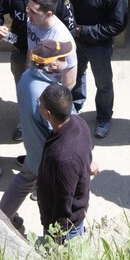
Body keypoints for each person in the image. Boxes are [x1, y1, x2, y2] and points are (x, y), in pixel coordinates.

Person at [0, 0, 76, 141]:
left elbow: (69, 26)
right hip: (22, 52)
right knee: (26, 90)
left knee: (50, 95)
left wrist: (60, 58)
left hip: (51, 60)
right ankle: (25, 121)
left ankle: (52, 126)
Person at [0, 39, 72, 235]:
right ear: (52, 64)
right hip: (47, 156)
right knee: (58, 197)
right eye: (62, 58)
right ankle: (59, 235)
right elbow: (58, 130)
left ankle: (3, 215)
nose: (66, 61)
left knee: (24, 180)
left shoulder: (26, 77)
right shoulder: (46, 94)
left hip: (33, 147)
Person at [65, 0, 128, 138]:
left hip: (99, 46)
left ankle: (104, 117)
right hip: (75, 42)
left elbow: (118, 25)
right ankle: (75, 108)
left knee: (103, 84)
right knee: (75, 77)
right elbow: (67, 6)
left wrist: (84, 31)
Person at [36, 84, 93, 244]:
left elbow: (63, 206)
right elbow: (86, 149)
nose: (38, 106)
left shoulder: (64, 160)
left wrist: (56, 239)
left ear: (48, 113)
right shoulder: (78, 122)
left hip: (65, 231)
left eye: (40, 103)